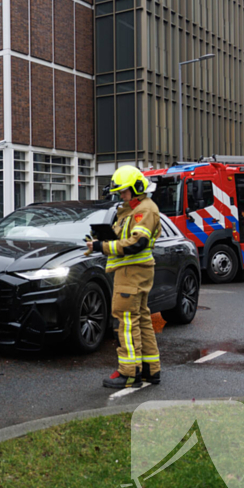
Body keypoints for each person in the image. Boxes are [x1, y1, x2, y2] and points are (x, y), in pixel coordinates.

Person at [86, 165, 162, 389]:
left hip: (132, 273)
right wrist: (101, 239)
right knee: (141, 321)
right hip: (134, 272)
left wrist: (102, 245)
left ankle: (129, 373)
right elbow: (127, 237)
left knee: (126, 323)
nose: (121, 195)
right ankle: (150, 369)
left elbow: (137, 243)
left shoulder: (144, 209)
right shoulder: (133, 209)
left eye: (124, 191)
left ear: (137, 188)